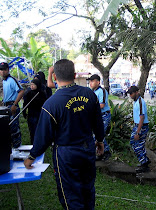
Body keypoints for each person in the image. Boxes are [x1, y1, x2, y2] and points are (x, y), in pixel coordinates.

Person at [24, 59, 105, 210]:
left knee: (70, 195)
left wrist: (31, 157)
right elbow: (98, 123)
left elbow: (43, 136)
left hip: (66, 154)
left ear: (54, 77)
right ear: (74, 75)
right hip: (87, 149)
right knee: (87, 189)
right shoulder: (89, 94)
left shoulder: (51, 103)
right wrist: (100, 141)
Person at [87, 74, 112, 161]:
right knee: (97, 135)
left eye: (92, 81)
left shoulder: (102, 91)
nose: (90, 83)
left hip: (104, 115)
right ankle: (101, 153)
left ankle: (106, 152)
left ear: (98, 82)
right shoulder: (93, 92)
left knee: (99, 135)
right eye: (90, 81)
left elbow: (101, 105)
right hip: (97, 116)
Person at [127, 86, 151, 173]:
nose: (130, 95)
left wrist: (138, 132)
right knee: (133, 143)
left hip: (142, 126)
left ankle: (144, 164)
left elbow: (142, 117)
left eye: (131, 93)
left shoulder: (140, 102)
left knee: (139, 145)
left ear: (137, 92)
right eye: (129, 94)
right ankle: (145, 160)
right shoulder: (136, 102)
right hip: (137, 125)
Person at [0, 62, 24, 148]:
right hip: (5, 106)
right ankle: (10, 150)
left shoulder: (12, 80)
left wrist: (14, 104)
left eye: (4, 70)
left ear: (8, 70)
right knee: (7, 129)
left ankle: (17, 148)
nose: (2, 72)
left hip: (12, 106)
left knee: (14, 128)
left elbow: (21, 91)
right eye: (1, 70)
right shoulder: (4, 81)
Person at [23, 79, 47, 144]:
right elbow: (25, 103)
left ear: (37, 85)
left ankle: (41, 142)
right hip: (31, 114)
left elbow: (45, 104)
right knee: (32, 130)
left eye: (33, 85)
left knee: (39, 129)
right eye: (31, 85)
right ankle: (33, 143)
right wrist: (24, 112)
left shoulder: (42, 93)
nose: (31, 86)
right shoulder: (28, 93)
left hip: (39, 114)